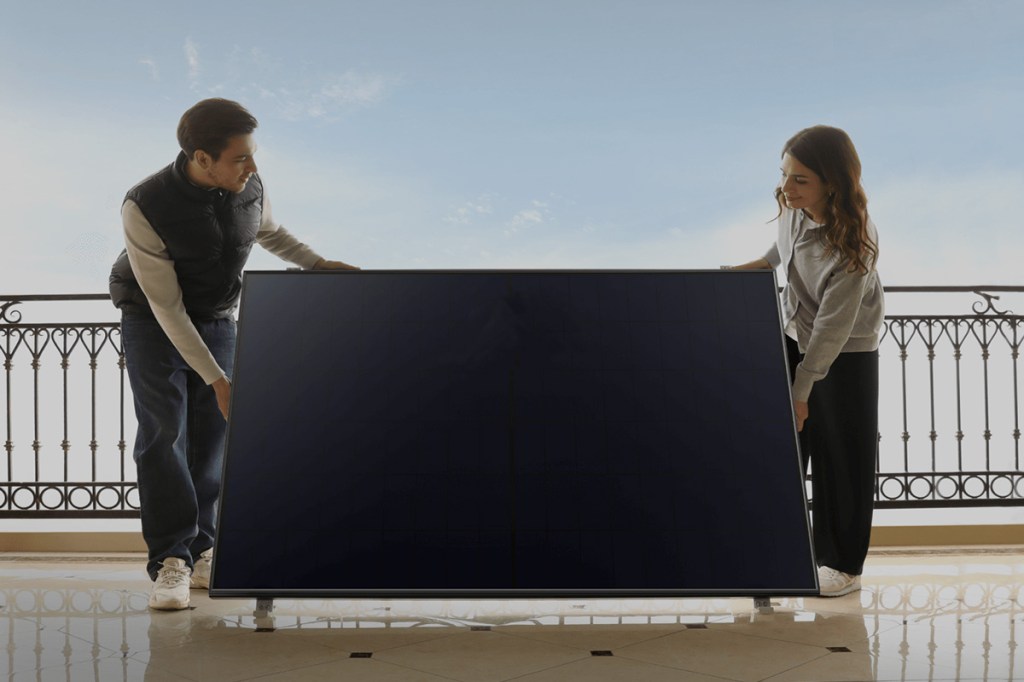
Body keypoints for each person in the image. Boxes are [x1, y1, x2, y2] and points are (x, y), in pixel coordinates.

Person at [109, 98, 358, 610]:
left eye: (253, 154)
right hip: (153, 321)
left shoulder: (250, 188)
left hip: (218, 315)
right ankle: (171, 561)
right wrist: (216, 377)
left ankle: (204, 550)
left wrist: (317, 263)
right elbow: (167, 305)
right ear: (202, 158)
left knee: (214, 437)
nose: (252, 166)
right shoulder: (145, 204)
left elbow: (267, 231)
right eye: (240, 158)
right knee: (164, 435)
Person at [729, 125, 884, 597]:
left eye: (800, 180)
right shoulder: (793, 210)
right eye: (784, 175)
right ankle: (775, 551)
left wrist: (802, 391)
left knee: (842, 455)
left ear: (832, 183)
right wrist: (751, 269)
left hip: (846, 349)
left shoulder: (855, 244)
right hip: (797, 331)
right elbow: (783, 249)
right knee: (783, 448)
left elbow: (833, 328)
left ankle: (841, 566)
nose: (786, 188)